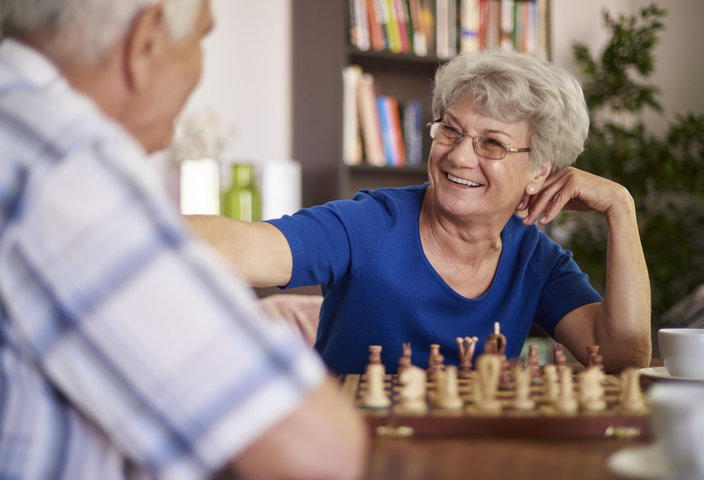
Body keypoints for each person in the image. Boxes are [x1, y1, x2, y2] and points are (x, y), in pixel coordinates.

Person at [0, 1, 367, 479]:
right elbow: (316, 449)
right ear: (146, 41)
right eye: (201, 38)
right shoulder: (63, 162)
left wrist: (222, 317)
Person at [189, 50, 652, 376]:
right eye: (450, 131)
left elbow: (623, 358)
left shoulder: (536, 259)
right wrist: (119, 222)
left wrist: (621, 208)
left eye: (491, 142)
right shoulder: (372, 224)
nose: (459, 157)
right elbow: (242, 246)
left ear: (539, 171)